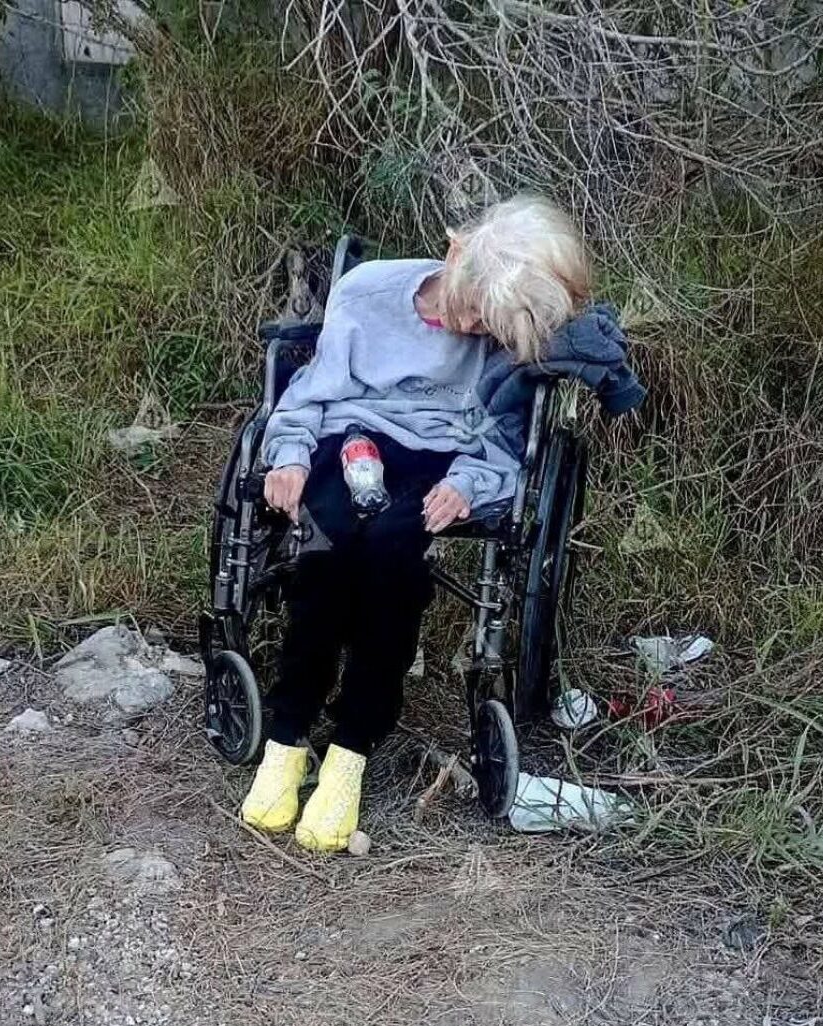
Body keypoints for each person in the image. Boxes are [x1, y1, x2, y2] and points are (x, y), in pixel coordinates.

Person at [239, 195, 644, 852]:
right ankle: (287, 738)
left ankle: (350, 750)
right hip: (350, 437)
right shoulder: (367, 292)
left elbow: (505, 438)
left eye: (491, 321)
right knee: (323, 549)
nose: (475, 325)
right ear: (456, 252)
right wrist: (287, 454)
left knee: (392, 560)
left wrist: (468, 483)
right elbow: (312, 391)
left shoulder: (506, 327)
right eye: (475, 305)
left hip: (443, 457)